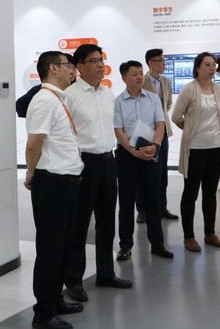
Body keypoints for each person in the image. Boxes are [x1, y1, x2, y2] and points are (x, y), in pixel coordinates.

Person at [63, 45, 132, 304]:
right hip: (84, 163)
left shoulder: (107, 93)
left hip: (108, 161)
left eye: (101, 60)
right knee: (79, 225)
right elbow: (66, 133)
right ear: (79, 67)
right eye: (93, 61)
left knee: (106, 222)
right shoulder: (70, 95)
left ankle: (106, 273)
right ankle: (73, 280)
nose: (100, 65)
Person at [24, 51, 84, 329]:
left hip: (67, 183)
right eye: (68, 65)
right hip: (52, 184)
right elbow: (33, 144)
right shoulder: (44, 101)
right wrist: (32, 173)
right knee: (50, 249)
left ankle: (55, 299)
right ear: (53, 68)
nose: (73, 70)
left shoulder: (59, 99)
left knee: (63, 247)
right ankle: (44, 313)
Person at [114, 60, 174, 261]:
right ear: (124, 78)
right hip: (127, 155)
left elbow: (160, 125)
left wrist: (155, 146)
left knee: (153, 200)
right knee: (126, 201)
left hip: (150, 152)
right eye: (134, 74)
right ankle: (125, 245)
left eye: (141, 73)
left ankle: (157, 244)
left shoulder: (153, 98)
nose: (139, 77)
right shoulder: (118, 102)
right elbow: (118, 130)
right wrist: (133, 151)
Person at [172, 52, 220, 252]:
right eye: (207, 65)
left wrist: (211, 130)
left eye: (213, 65)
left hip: (215, 147)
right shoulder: (189, 89)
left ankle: (210, 233)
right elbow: (176, 116)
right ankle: (188, 236)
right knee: (191, 193)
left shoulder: (219, 89)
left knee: (210, 193)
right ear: (197, 68)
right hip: (195, 149)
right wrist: (191, 130)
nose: (212, 68)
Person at [136, 49, 178, 223]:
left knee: (162, 172)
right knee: (143, 172)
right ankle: (142, 210)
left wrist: (159, 120)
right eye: (159, 60)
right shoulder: (141, 80)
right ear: (150, 62)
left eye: (163, 59)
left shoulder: (166, 82)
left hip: (163, 131)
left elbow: (168, 104)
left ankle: (162, 207)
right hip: (145, 132)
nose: (163, 63)